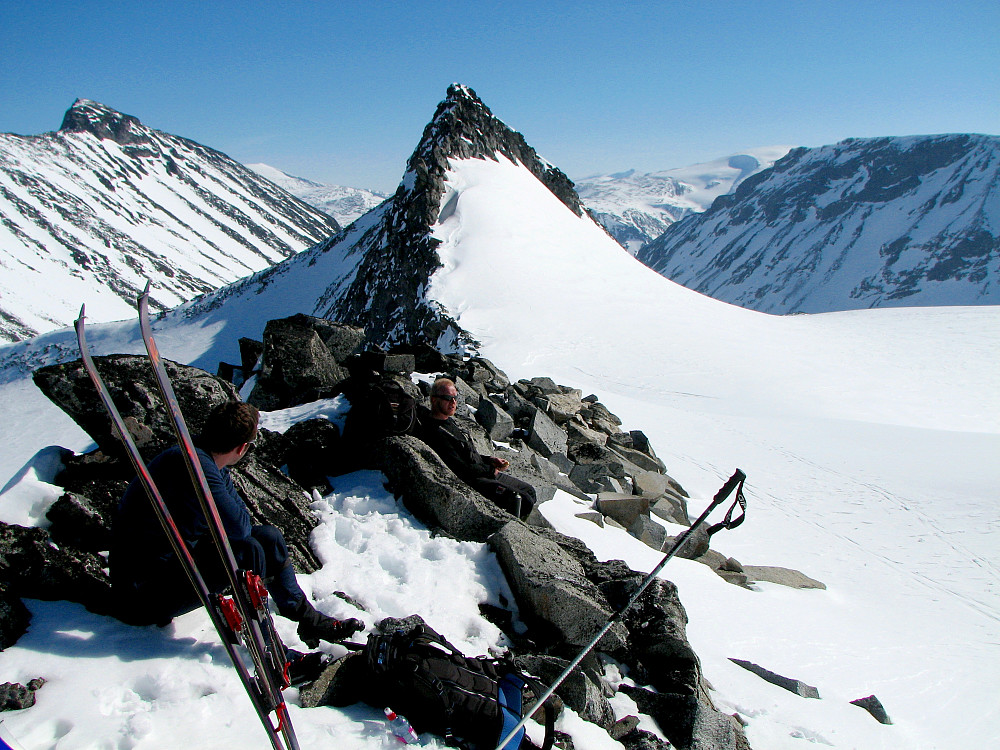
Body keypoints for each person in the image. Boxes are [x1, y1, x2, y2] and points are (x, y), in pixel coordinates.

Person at [111, 401, 363, 649]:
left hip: (170, 569)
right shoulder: (196, 466)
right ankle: (271, 651)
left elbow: (240, 519)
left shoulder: (205, 461)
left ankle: (310, 621)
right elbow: (239, 527)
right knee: (248, 550)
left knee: (269, 537)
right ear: (242, 447)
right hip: (142, 593)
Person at [418, 378, 536, 519]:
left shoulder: (449, 422)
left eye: (455, 398)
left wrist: (489, 460)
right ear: (434, 400)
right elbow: (459, 467)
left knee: (530, 491)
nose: (453, 402)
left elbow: (465, 453)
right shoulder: (435, 430)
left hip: (482, 471)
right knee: (523, 501)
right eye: (448, 398)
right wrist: (490, 470)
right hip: (473, 480)